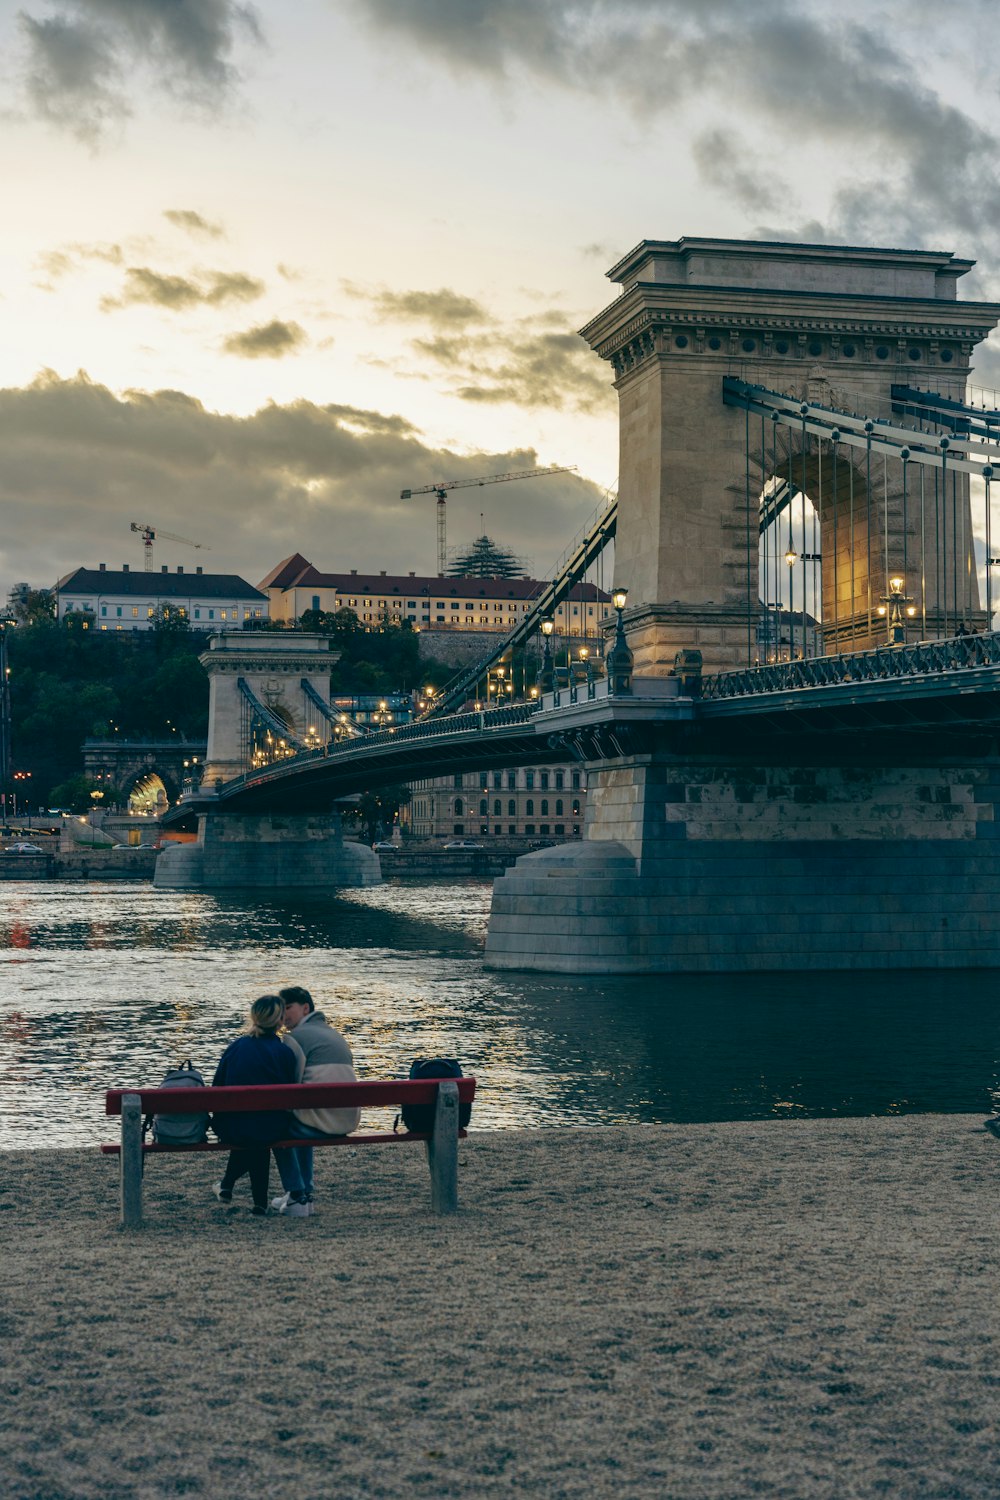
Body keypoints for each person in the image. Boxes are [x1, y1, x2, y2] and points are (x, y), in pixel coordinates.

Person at [271, 985, 360, 1216]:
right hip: (346, 1120)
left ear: (305, 1008)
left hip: (321, 1123)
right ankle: (303, 1192)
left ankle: (298, 1196)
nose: (283, 1015)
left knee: (276, 1129)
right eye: (281, 1010)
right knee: (301, 1120)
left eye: (288, 1008)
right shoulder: (334, 1034)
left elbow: (289, 1088)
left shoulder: (295, 1038)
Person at [212, 994, 299, 1216]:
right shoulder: (284, 1052)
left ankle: (228, 1185)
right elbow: (291, 1092)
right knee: (260, 1132)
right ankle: (255, 1201)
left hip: (231, 1126)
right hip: (272, 1126)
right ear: (279, 1020)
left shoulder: (236, 1048)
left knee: (251, 1130)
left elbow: (216, 1087)